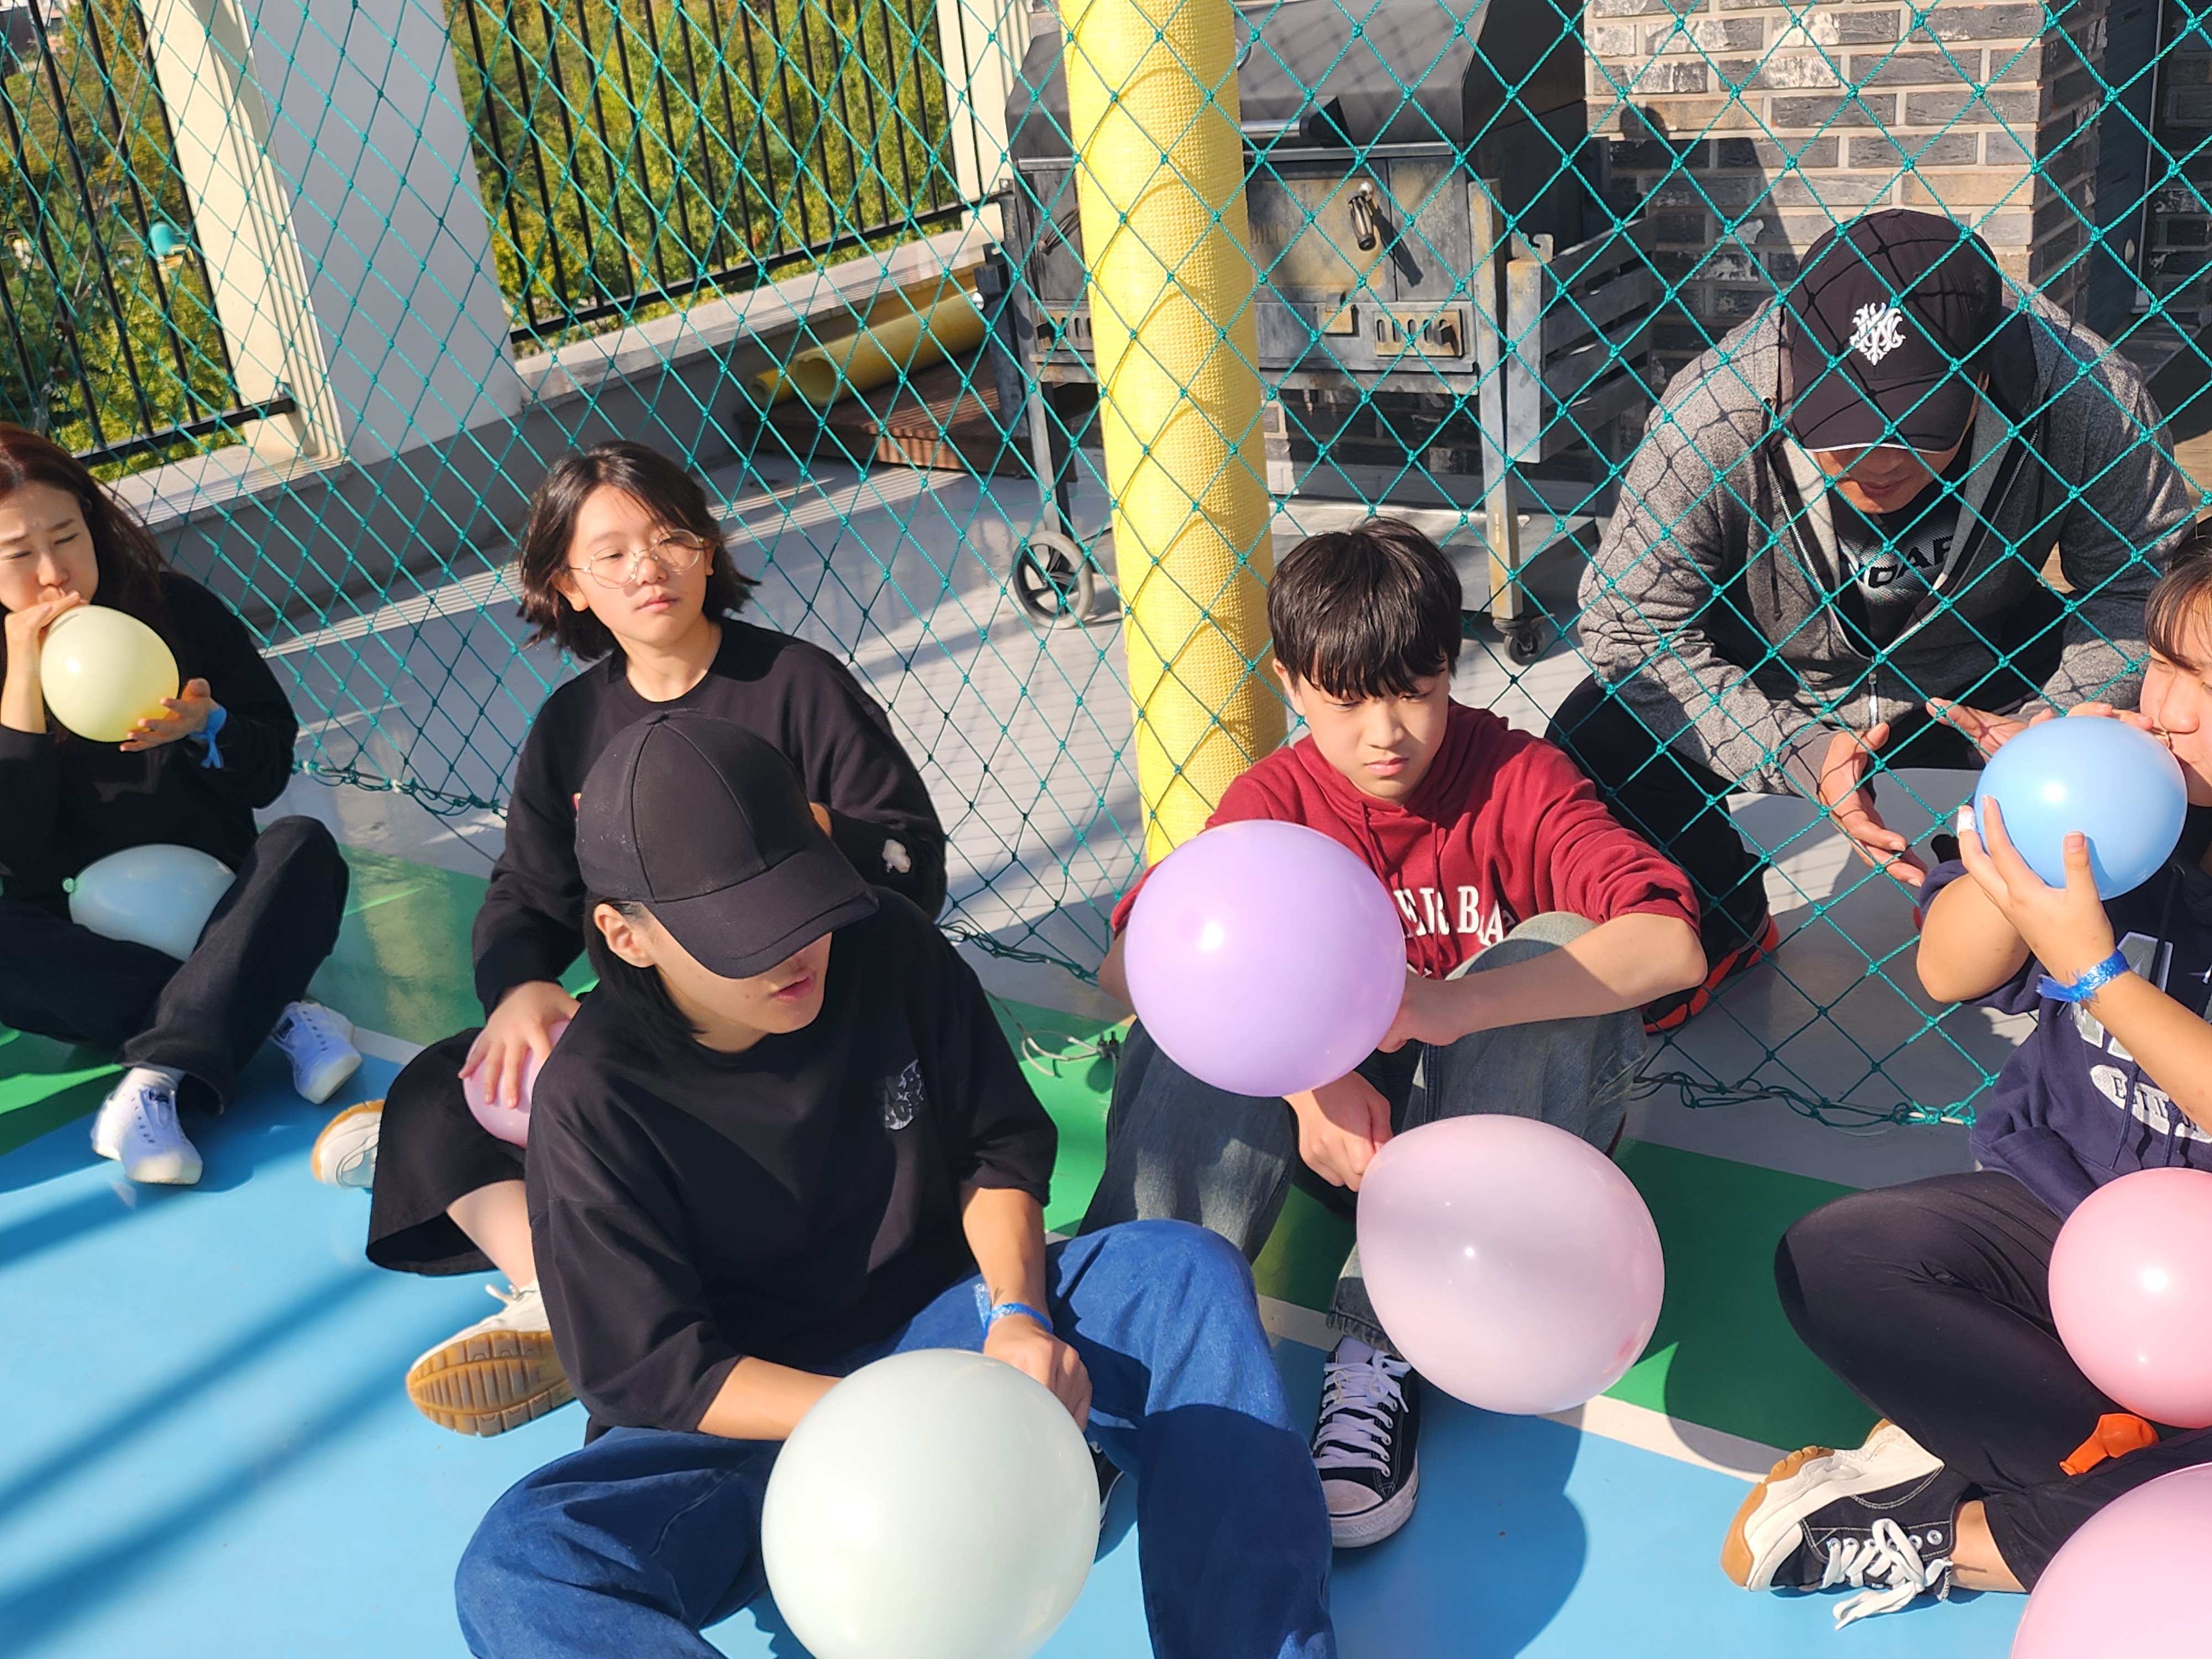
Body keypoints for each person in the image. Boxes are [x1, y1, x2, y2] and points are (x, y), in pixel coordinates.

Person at [451, 711, 1334, 1659]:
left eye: (803, 901)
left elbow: (996, 1152)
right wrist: (885, 1424)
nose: (794, 947)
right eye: (741, 932)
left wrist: (1019, 1315)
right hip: (748, 1425)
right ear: (627, 938)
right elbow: (661, 1372)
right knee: (519, 1567)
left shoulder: (886, 944)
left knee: (1182, 1276)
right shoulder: (594, 1097)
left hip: (945, 1338)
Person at [1079, 517, 1705, 1546]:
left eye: (1415, 690)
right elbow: (1130, 964)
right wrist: (1304, 1078)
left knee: (1549, 946)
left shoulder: (1516, 777)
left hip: (1497, 1159)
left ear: (1451, 665)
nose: (1386, 733)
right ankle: (1121, 1350)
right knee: (1196, 1001)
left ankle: (1383, 1350)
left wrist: (1452, 1003)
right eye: (1346, 700)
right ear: (1291, 685)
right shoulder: (1277, 802)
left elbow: (1671, 946)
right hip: (1339, 1135)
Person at [311, 440, 948, 1437]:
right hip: (661, 1020)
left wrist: (791, 828)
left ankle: (589, 1307)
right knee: (443, 1084)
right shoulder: (572, 726)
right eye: (610, 554)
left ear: (708, 550)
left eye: (671, 537)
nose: (648, 568)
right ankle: (551, 1297)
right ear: (567, 585)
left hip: (798, 1002)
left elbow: (913, 862)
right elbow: (530, 889)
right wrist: (521, 987)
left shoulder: (798, 686)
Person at [1721, 540, 2212, 1627]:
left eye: (2209, 685)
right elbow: (1947, 970)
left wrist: (2099, 977)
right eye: (2163, 664)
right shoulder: (2129, 817)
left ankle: (1962, 1533)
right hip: (2068, 1214)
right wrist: (2028, 825)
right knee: (1835, 1259)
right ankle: (2117, 1473)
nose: (2169, 710)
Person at [1560, 207, 2195, 1030]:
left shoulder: (2084, 391)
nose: (1874, 461)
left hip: (1991, 667)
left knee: (2175, 735)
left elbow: (2143, 583)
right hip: (1783, 667)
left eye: (1914, 426)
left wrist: (2054, 726)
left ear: (1984, 376)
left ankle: (2004, 897)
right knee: (1597, 735)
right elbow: (1628, 620)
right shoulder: (1718, 406)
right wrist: (1791, 747)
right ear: (1792, 372)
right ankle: (1719, 916)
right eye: (1841, 426)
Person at [0, 425, 357, 1185]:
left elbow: (268, 773)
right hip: (82, 945)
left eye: (67, 537)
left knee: (303, 846)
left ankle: (156, 1077)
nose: (54, 573)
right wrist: (21, 683)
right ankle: (269, 1007)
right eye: (18, 554)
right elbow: (15, 859)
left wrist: (209, 726)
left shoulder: (176, 610)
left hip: (219, 910)